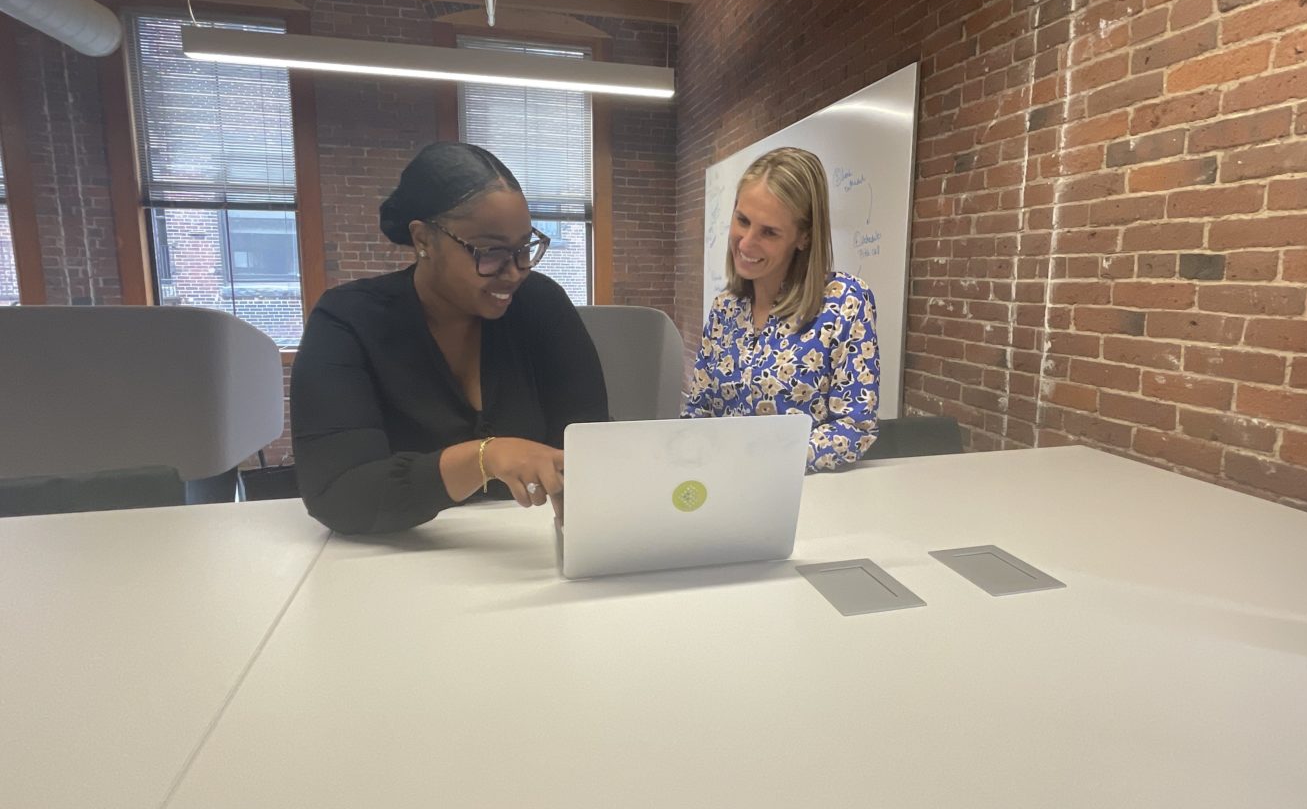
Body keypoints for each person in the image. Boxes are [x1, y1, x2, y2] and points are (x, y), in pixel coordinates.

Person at [290, 142, 609, 535]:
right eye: (490, 252)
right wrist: (484, 458)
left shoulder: (540, 305)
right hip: (392, 559)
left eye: (524, 248)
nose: (514, 272)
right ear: (423, 239)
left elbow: (594, 448)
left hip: (528, 549)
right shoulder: (348, 321)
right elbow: (337, 494)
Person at [684, 146, 880, 471]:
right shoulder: (725, 309)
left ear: (803, 237)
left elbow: (854, 427)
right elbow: (699, 411)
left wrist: (763, 463)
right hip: (722, 493)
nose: (746, 243)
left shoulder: (844, 302)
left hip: (802, 499)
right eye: (742, 220)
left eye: (769, 232)